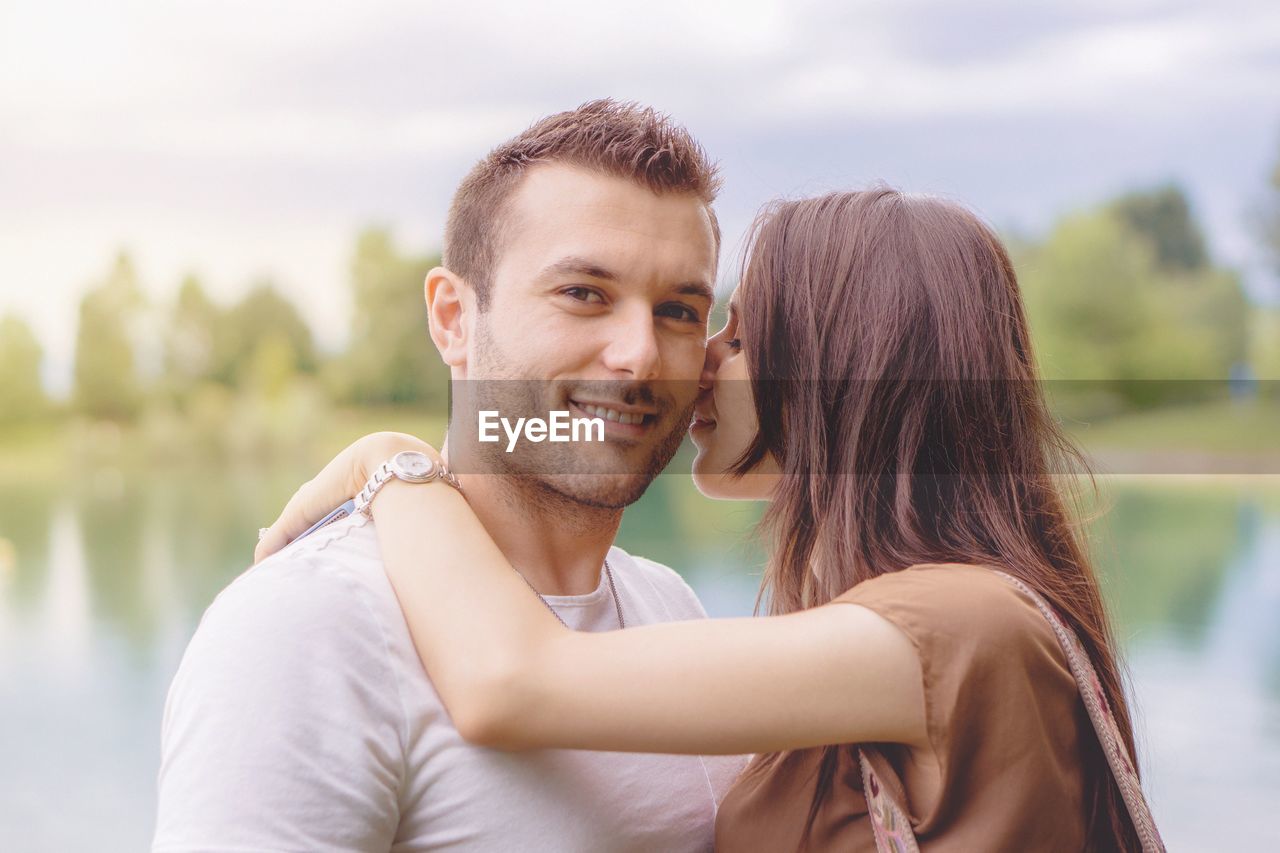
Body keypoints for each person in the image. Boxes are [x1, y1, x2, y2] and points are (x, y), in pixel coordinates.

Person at [259, 189, 1167, 851]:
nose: (693, 365)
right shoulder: (929, 620)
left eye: (730, 331)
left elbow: (512, 681)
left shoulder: (956, 627)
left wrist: (390, 462)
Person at [153, 100, 748, 852]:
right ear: (453, 319)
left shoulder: (670, 605)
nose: (638, 354)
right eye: (584, 293)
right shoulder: (307, 626)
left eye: (679, 310)